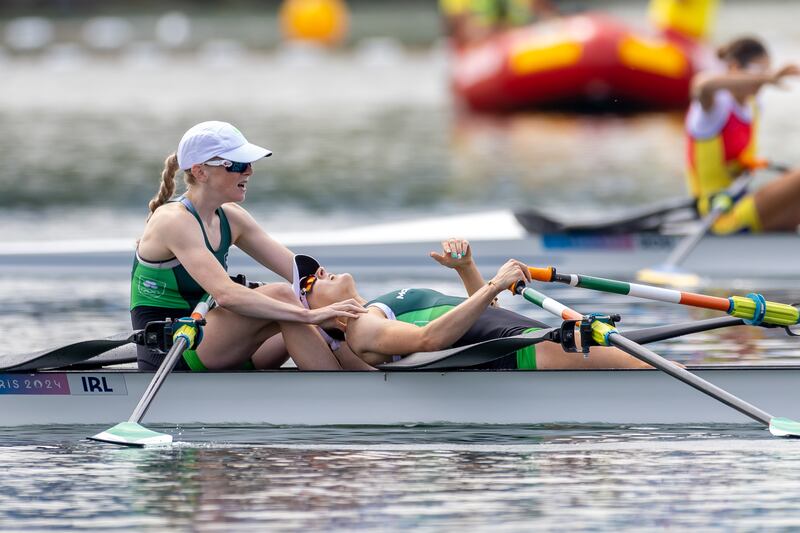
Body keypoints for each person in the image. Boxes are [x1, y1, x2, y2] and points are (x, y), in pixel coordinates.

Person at [131, 121, 370, 372]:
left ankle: (377, 366)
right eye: (238, 165)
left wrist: (361, 305)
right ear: (201, 172)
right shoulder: (174, 220)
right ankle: (342, 392)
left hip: (221, 343)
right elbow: (227, 295)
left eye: (249, 164)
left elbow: (304, 276)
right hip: (173, 352)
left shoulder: (231, 217)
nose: (249, 171)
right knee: (283, 296)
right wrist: (310, 316)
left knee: (317, 295)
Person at [292, 239, 653, 370]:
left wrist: (467, 270)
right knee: (645, 370)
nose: (321, 271)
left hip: (526, 338)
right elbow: (429, 340)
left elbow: (486, 310)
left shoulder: (377, 307)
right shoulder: (361, 328)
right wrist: (495, 282)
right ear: (319, 317)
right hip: (522, 352)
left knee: (648, 364)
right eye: (311, 281)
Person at [686, 36, 800, 234]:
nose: (763, 81)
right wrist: (769, 77)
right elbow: (702, 85)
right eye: (758, 72)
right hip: (719, 215)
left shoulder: (754, 106)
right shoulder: (712, 108)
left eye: (766, 72)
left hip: (742, 203)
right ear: (734, 67)